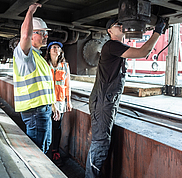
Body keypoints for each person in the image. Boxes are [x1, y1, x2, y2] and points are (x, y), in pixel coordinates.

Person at [85, 17, 166, 178]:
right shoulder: (112, 45)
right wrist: (157, 32)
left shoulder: (115, 48)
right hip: (103, 103)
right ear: (109, 31)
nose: (121, 26)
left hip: (105, 102)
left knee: (100, 142)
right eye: (117, 25)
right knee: (100, 144)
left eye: (121, 24)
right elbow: (143, 52)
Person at [13, 3, 60, 153]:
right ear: (32, 35)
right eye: (41, 33)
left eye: (46, 33)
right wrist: (30, 12)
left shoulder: (38, 57)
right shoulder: (24, 55)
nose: (46, 36)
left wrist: (53, 106)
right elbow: (25, 36)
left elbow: (45, 86)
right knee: (37, 152)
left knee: (45, 147)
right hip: (35, 111)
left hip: (42, 110)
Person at [45, 41, 72, 166]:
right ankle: (45, 150)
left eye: (58, 48)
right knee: (45, 126)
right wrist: (51, 104)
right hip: (46, 101)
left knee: (57, 127)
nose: (56, 49)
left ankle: (55, 151)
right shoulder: (45, 65)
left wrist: (68, 100)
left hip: (60, 101)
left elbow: (67, 84)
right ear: (49, 50)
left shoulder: (65, 66)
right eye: (53, 47)